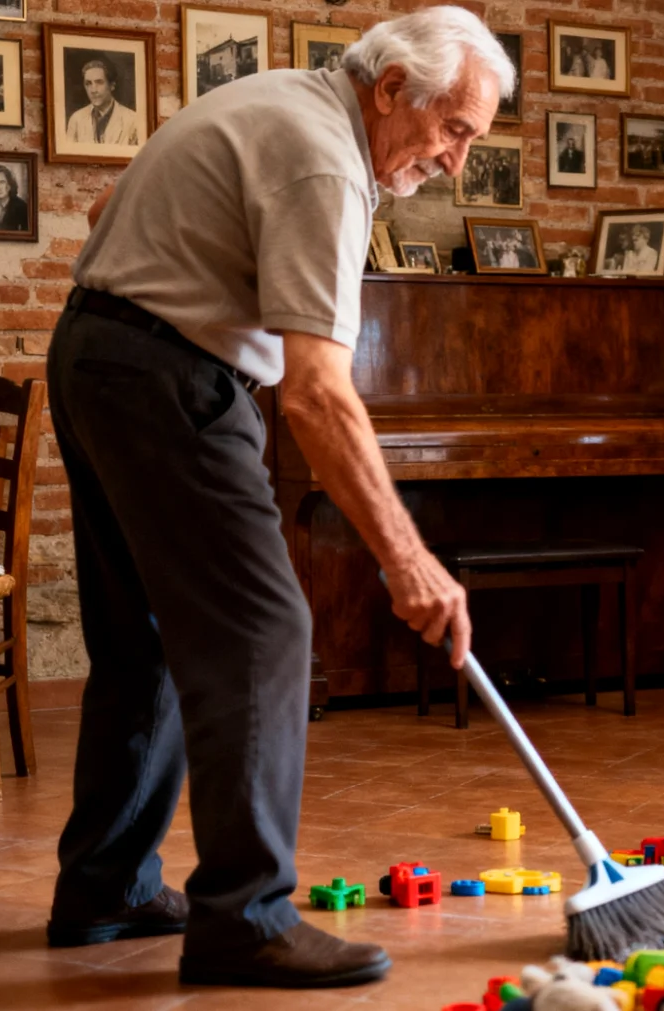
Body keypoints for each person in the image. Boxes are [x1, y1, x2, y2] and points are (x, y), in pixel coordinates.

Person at [42, 5, 513, 989]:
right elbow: (316, 395)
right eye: (454, 129)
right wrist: (410, 562)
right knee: (264, 630)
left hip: (98, 353)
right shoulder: (326, 164)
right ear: (393, 89)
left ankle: (106, 887)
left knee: (144, 636)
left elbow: (109, 211)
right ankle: (245, 919)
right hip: (169, 376)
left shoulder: (277, 100)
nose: (456, 161)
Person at [65, 58, 143, 146]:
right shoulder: (76, 119)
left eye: (99, 82)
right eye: (88, 83)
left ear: (112, 86)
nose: (93, 90)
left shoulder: (133, 120)